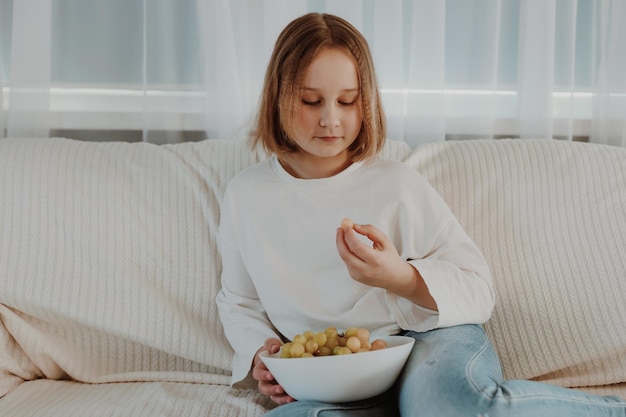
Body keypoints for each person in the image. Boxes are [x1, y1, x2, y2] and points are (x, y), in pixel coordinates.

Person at [216, 12, 626, 417]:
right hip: (331, 374)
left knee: (454, 406)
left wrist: (397, 277)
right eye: (310, 100)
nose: (330, 119)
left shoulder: (396, 184)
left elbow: (478, 289)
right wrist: (261, 354)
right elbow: (238, 301)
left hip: (426, 341)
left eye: (347, 101)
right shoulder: (246, 196)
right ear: (279, 97)